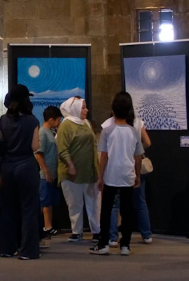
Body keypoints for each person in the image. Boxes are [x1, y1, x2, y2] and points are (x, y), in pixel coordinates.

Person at [0, 84, 42, 260]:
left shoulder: (3, 119)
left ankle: (7, 248)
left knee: (7, 209)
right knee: (29, 209)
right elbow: (35, 146)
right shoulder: (32, 120)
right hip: (26, 166)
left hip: (7, 167)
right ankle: (27, 251)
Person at [100, 92, 153, 244]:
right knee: (138, 203)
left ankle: (112, 237)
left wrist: (100, 176)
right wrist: (133, 151)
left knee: (113, 206)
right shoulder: (137, 123)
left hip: (113, 171)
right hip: (133, 168)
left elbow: (104, 154)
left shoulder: (108, 125)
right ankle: (146, 234)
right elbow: (147, 142)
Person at [56, 96, 99, 243]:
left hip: (89, 172)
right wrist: (70, 164)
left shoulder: (85, 123)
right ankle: (77, 231)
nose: (86, 110)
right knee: (75, 204)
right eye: (83, 107)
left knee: (93, 202)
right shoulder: (66, 125)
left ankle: (96, 231)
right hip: (72, 174)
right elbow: (62, 148)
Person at [34, 106, 62, 241]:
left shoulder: (49, 132)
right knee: (45, 200)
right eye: (58, 120)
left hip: (51, 173)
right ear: (51, 120)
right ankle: (46, 225)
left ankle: (48, 225)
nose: (59, 122)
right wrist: (45, 170)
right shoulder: (43, 133)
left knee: (49, 200)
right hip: (45, 174)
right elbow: (39, 153)